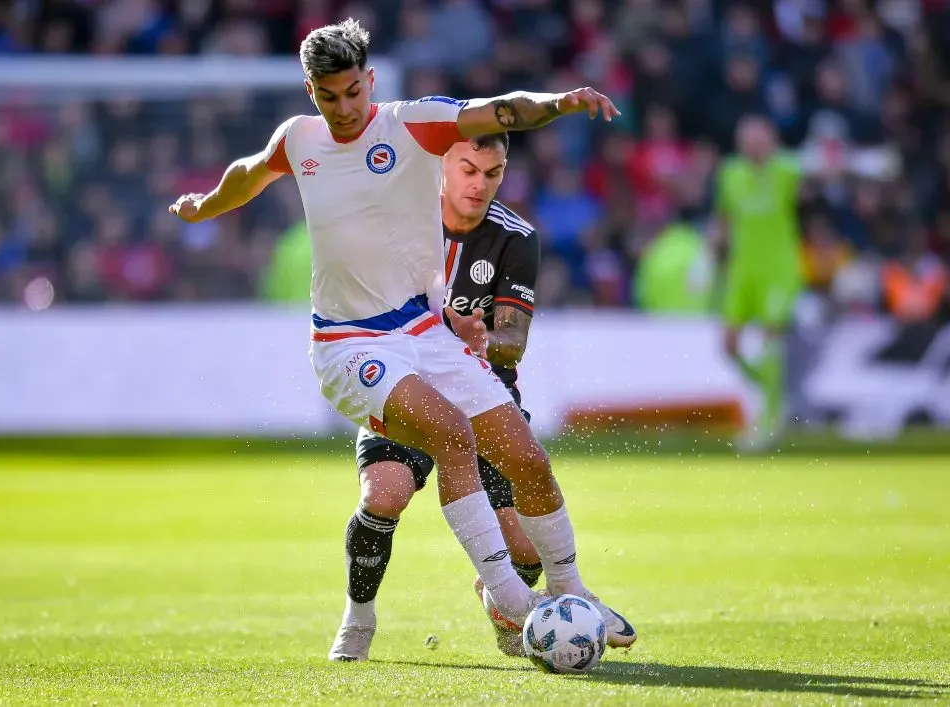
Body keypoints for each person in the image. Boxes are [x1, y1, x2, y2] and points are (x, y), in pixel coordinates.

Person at [169, 18, 636, 657]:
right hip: (347, 343)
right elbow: (246, 175)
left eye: (353, 93)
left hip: (424, 329)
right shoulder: (299, 139)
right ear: (312, 92)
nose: (343, 108)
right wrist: (203, 206)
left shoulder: (412, 124)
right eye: (328, 96)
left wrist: (559, 103)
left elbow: (499, 110)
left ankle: (571, 589)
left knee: (525, 455)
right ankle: (513, 602)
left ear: (371, 81)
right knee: (448, 437)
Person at [334, 133, 545, 661]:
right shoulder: (400, 220)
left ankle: (499, 601)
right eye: (469, 170)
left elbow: (514, 342)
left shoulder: (515, 238)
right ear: (443, 166)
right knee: (383, 496)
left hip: (479, 392)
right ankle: (358, 617)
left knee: (525, 548)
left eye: (492, 173)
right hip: (406, 385)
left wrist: (485, 341)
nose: (480, 184)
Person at [715, 115, 805, 449]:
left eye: (759, 139)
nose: (754, 145)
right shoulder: (730, 173)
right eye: (748, 139)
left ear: (772, 141)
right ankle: (773, 393)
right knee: (729, 345)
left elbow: (824, 168)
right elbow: (723, 220)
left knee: (770, 336)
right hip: (743, 270)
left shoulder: (787, 169)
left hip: (779, 268)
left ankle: (768, 420)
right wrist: (707, 262)